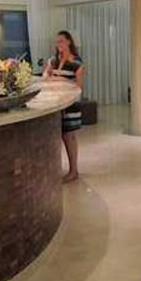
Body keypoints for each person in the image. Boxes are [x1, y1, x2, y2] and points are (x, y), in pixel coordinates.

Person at [44, 30, 85, 183]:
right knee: (60, 135)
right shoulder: (53, 60)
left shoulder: (77, 62)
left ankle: (74, 170)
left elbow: (79, 86)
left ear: (68, 42)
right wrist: (48, 75)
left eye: (61, 41)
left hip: (70, 103)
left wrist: (62, 80)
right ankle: (64, 169)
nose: (58, 44)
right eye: (57, 42)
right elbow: (45, 76)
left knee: (69, 136)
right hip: (56, 101)